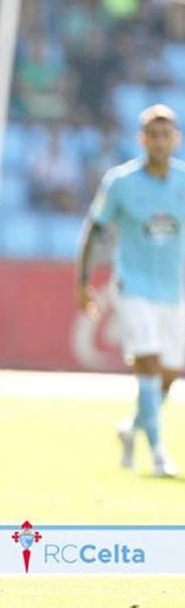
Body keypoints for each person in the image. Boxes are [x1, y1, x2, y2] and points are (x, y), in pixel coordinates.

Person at [76, 103, 185, 477]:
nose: (159, 141)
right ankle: (157, 453)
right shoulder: (120, 182)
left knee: (169, 374)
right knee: (149, 364)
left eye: (165, 134)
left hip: (174, 290)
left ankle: (131, 428)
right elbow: (95, 229)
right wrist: (83, 282)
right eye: (152, 134)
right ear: (142, 139)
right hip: (134, 286)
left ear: (176, 139)